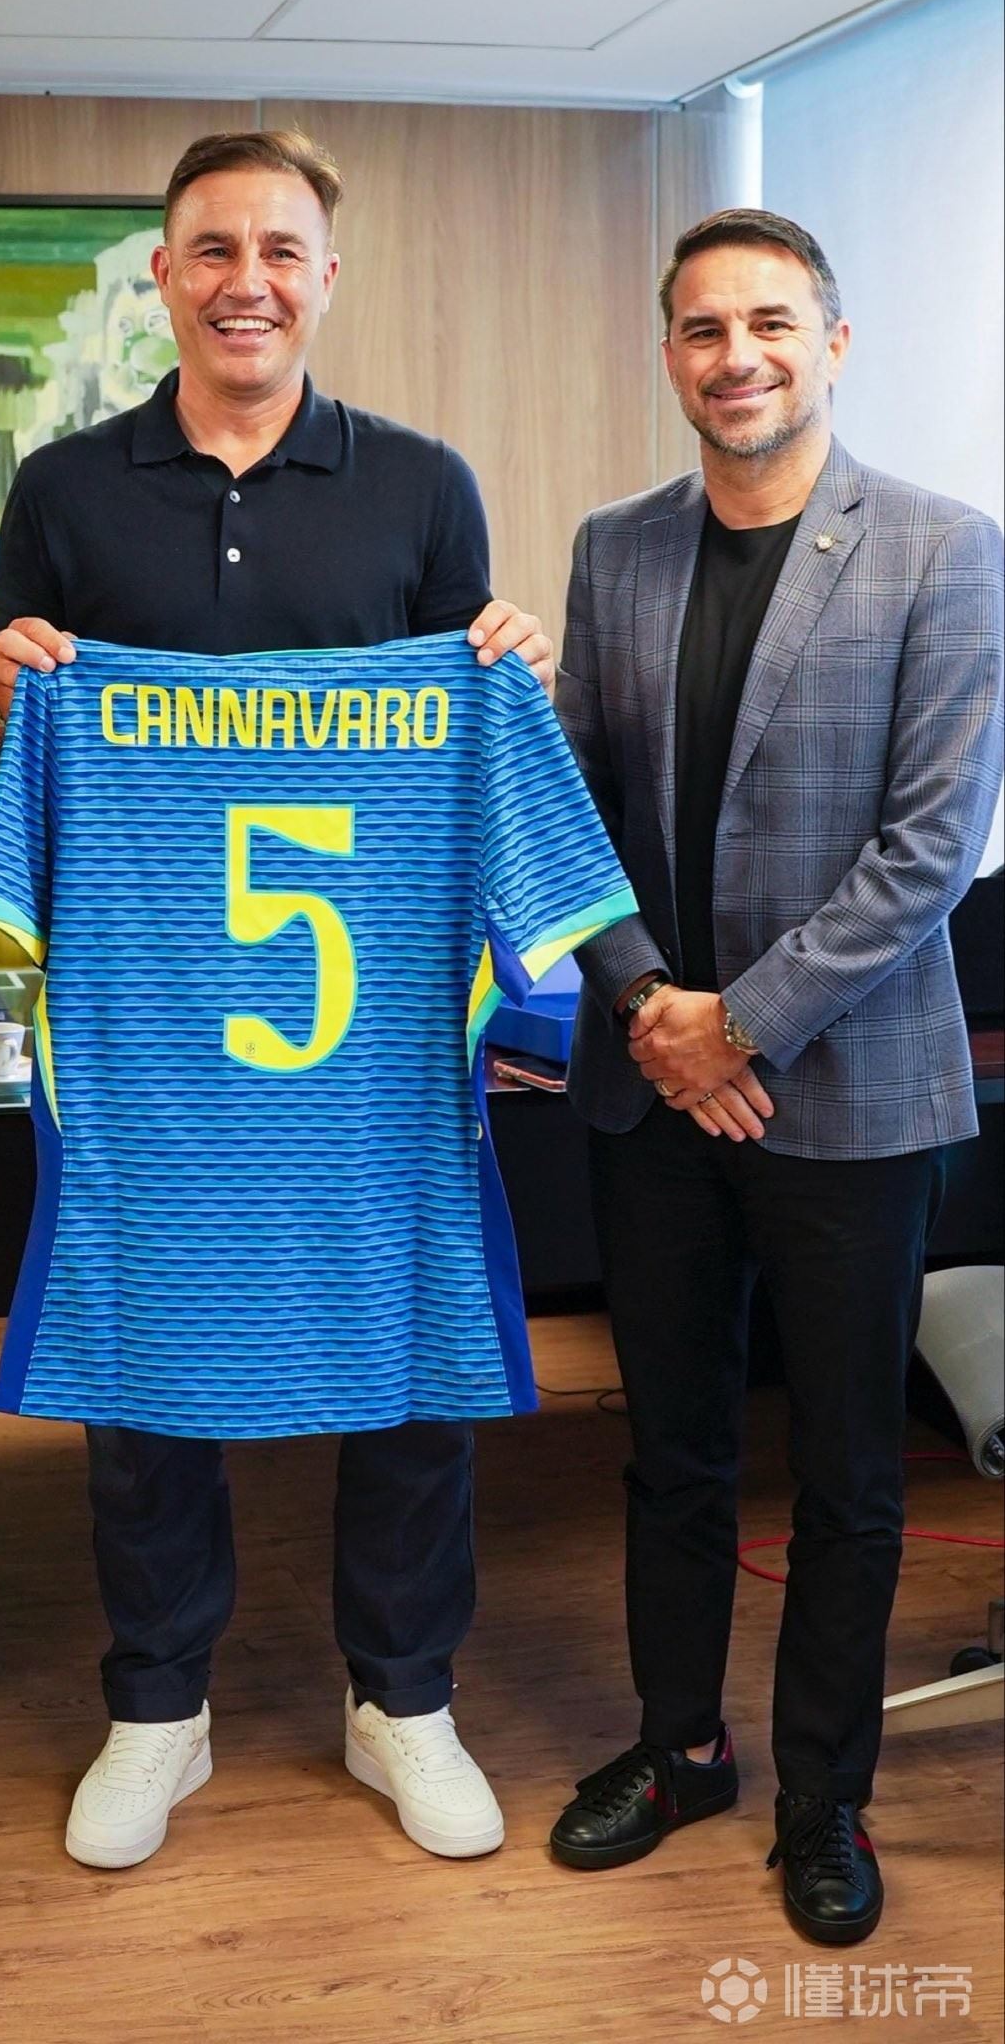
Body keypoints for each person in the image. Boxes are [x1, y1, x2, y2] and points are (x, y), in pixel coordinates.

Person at [0, 128, 556, 1872]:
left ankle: (406, 1700)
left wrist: (506, 666)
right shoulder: (64, 491)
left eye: (281, 251)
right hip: (148, 1031)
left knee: (413, 1354)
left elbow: (465, 742)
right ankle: (160, 1707)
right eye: (213, 250)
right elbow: (17, 760)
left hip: (372, 1038)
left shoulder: (424, 486)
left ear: (326, 277)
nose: (248, 282)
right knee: (142, 1353)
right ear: (162, 275)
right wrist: (7, 690)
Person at [550, 208, 1003, 1943]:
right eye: (702, 328)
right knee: (671, 1450)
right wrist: (652, 1008)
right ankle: (679, 1749)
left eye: (768, 324)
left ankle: (826, 1796)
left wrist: (737, 1025)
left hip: (851, 1090)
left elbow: (928, 850)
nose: (734, 356)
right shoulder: (615, 549)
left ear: (832, 343)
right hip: (651, 1085)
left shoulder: (944, 549)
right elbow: (572, 807)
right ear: (670, 354)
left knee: (848, 1476)